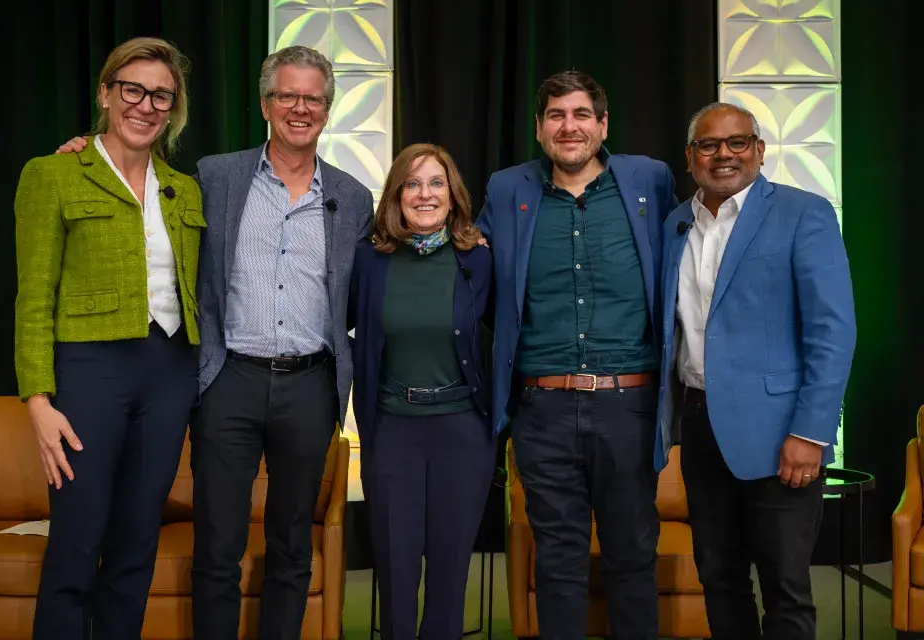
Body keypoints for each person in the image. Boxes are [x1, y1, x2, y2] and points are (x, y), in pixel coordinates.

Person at [56, 44, 373, 640]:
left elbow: (370, 288)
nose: (299, 108)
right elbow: (140, 185)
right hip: (228, 380)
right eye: (287, 95)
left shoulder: (354, 198)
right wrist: (83, 152)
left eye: (313, 98)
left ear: (327, 110)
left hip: (311, 385)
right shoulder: (214, 177)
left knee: (291, 546)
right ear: (265, 103)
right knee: (218, 546)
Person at [476, 70, 679, 639]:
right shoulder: (506, 188)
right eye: (557, 116)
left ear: (602, 123)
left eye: (581, 114)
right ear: (540, 128)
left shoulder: (650, 181)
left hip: (629, 407)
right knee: (558, 561)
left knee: (632, 554)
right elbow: (480, 285)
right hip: (542, 408)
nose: (570, 126)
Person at [14, 37, 203, 640]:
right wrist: (38, 401)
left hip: (170, 372)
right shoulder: (54, 174)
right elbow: (33, 295)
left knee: (137, 539)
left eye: (161, 96)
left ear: (173, 109)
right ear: (105, 93)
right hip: (89, 374)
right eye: (133, 90)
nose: (146, 106)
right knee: (78, 536)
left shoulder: (185, 189)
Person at [657, 102, 856, 639]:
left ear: (760, 150)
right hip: (699, 431)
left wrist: (810, 434)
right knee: (719, 579)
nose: (724, 154)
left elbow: (832, 332)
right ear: (690, 156)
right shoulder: (676, 223)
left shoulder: (803, 213)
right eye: (709, 144)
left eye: (737, 142)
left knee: (785, 588)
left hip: (781, 437)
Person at [348, 143, 495, 640]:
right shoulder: (369, 259)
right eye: (412, 184)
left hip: (462, 432)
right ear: (396, 195)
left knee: (451, 574)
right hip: (392, 429)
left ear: (453, 196)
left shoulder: (480, 258)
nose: (425, 194)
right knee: (395, 567)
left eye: (437, 183)